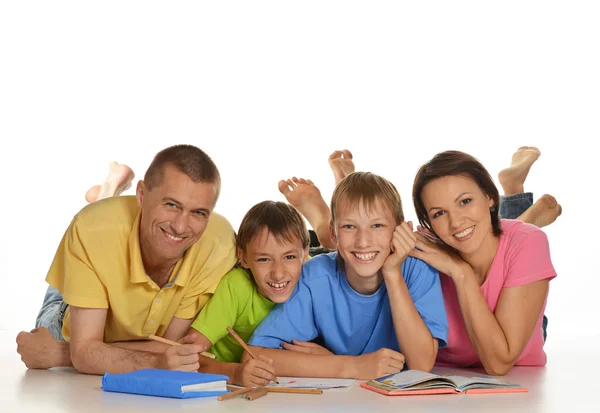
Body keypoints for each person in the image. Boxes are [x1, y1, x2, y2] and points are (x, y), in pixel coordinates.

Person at [16, 144, 237, 375]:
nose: (181, 227)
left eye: (198, 213)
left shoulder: (218, 242)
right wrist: (78, 352)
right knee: (58, 304)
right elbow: (85, 352)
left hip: (107, 255)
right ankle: (105, 196)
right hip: (70, 316)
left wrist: (65, 353)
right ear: (141, 194)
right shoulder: (91, 230)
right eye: (171, 205)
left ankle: (107, 193)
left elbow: (172, 348)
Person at [247, 171, 449, 380]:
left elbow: (421, 365)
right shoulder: (315, 277)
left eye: (377, 225)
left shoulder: (418, 269)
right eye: (349, 226)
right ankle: (325, 211)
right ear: (333, 233)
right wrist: (349, 366)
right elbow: (254, 355)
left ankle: (330, 193)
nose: (363, 241)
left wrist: (393, 273)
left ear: (400, 229)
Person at [410, 147, 558, 375]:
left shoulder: (528, 243)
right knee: (494, 236)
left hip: (521, 335)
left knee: (522, 239)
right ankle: (523, 212)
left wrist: (461, 272)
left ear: (490, 196)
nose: (456, 221)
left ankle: (517, 198)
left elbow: (499, 364)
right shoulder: (423, 254)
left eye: (465, 201)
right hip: (504, 269)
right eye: (439, 213)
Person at [182, 200, 310, 387]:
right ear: (243, 258)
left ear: (305, 254)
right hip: (226, 383)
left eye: (289, 257)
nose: (278, 273)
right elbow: (189, 355)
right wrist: (234, 373)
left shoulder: (314, 279)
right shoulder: (235, 287)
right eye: (264, 259)